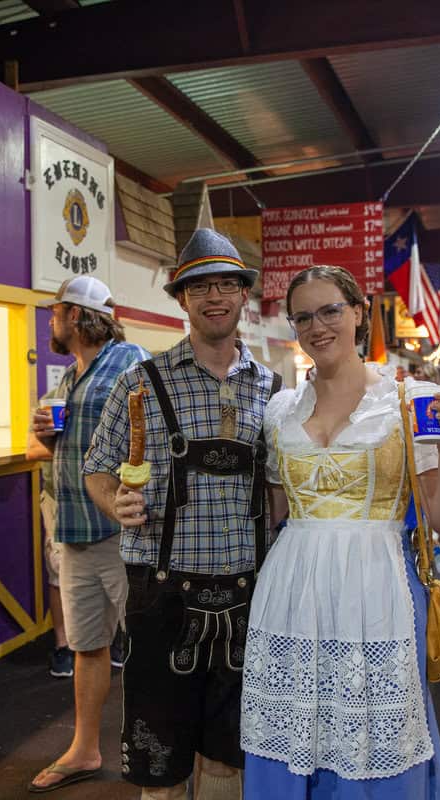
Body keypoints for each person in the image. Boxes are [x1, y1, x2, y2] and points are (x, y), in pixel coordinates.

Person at [240, 265, 440, 799]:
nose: (318, 326)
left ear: (360, 313)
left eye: (330, 310)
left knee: (371, 732)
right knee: (291, 729)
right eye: (303, 316)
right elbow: (275, 509)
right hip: (291, 585)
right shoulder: (278, 409)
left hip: (376, 583)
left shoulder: (410, 398)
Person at [84, 229, 279, 800]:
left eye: (225, 284)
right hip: (161, 593)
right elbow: (97, 466)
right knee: (160, 769)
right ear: (182, 300)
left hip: (250, 593)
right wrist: (112, 499)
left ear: (244, 295)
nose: (214, 296)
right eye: (200, 287)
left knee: (227, 761)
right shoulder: (140, 383)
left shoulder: (276, 390)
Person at [28, 276, 150, 793]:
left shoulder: (130, 361)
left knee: (146, 646)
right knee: (87, 646)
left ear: (75, 316)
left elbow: (153, 433)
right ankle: (84, 748)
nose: (50, 321)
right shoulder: (65, 381)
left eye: (54, 312)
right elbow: (52, 453)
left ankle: (153, 746)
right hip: (76, 531)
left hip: (123, 534)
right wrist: (46, 436)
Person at [29, 382, 72, 679]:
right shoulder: (55, 398)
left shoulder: (119, 391)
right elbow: (32, 450)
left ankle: (114, 640)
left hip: (104, 497)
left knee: (113, 572)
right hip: (60, 499)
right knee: (58, 572)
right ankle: (62, 644)